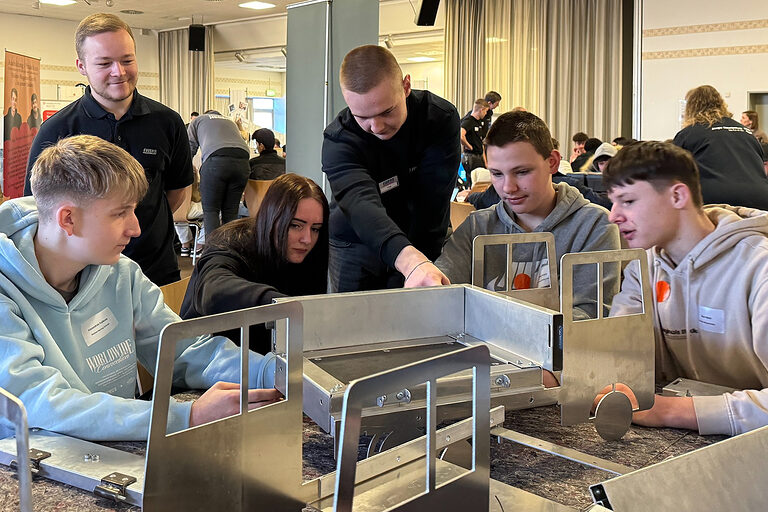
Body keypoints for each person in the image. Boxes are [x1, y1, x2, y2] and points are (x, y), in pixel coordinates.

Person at [0, 135, 279, 442]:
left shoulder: (121, 273)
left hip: (111, 450)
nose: (135, 229)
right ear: (68, 218)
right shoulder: (5, 291)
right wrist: (186, 416)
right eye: (120, 213)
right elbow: (42, 403)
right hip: (29, 468)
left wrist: (278, 373)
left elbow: (183, 349)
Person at [603, 141, 768, 436]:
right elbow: (616, 352)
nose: (613, 215)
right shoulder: (644, 266)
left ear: (678, 195)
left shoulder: (759, 267)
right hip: (681, 438)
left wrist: (669, 410)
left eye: (627, 201)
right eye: (613, 202)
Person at [24, 13, 193, 286]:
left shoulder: (167, 122)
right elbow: (38, 207)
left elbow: (175, 192)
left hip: (156, 269)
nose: (119, 72)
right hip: (83, 278)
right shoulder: (57, 130)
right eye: (104, 63)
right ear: (81, 66)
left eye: (127, 60)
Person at [436, 111, 619, 319]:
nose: (508, 187)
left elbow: (590, 318)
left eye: (522, 172)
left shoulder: (595, 226)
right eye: (496, 174)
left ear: (552, 162)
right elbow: (442, 294)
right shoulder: (477, 226)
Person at [322, 44, 460, 292]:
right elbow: (360, 204)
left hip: (421, 236)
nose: (376, 127)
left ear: (406, 86)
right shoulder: (339, 139)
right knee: (353, 322)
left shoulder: (438, 118)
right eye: (362, 117)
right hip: (356, 241)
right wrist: (409, 261)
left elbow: (433, 203)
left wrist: (415, 266)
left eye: (387, 112)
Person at [181, 173, 328, 354]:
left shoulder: (309, 255)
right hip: (209, 368)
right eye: (295, 225)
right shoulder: (230, 243)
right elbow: (213, 291)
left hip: (265, 363)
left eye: (315, 229)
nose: (307, 239)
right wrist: (283, 305)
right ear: (273, 217)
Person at [674, 85, 768, 210]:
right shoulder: (747, 132)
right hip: (760, 199)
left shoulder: (688, 134)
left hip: (715, 201)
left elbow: (673, 175)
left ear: (690, 108)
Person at [187, 110, 251, 238]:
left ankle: (213, 252)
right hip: (243, 162)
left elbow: (189, 148)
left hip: (216, 162)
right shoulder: (230, 122)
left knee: (211, 211)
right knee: (231, 211)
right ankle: (230, 251)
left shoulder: (198, 120)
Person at [460, 98, 490, 182]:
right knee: (473, 182)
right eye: (485, 111)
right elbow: (461, 135)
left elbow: (481, 143)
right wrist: (469, 146)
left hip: (478, 156)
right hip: (471, 157)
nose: (486, 114)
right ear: (481, 110)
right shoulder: (469, 121)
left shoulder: (479, 122)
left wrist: (485, 162)